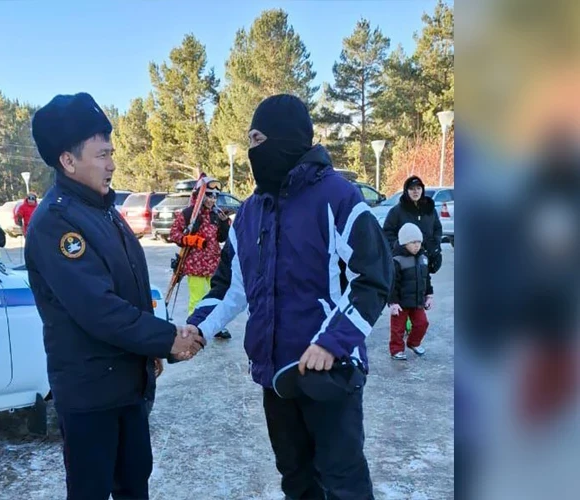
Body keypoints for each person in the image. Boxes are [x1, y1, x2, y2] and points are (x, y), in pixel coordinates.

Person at [185, 94, 392, 499]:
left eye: (259, 140)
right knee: (296, 478)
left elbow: (373, 277)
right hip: (275, 376)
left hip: (329, 372)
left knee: (342, 479)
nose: (253, 151)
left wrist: (332, 342)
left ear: (286, 139)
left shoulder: (338, 197)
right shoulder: (248, 213)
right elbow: (230, 287)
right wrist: (198, 329)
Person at [25, 92, 204, 500]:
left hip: (126, 387)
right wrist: (166, 338)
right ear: (68, 161)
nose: (112, 164)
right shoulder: (57, 222)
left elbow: (129, 291)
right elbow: (99, 309)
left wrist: (149, 352)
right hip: (91, 397)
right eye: (102, 155)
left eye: (112, 153)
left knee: (134, 485)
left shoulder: (103, 210)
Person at [169, 178, 232, 339]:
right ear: (200, 196)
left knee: (215, 296)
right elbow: (174, 234)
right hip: (195, 264)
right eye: (209, 195)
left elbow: (222, 238)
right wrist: (190, 239)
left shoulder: (216, 214)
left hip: (214, 263)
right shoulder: (189, 213)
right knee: (197, 298)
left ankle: (215, 325)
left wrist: (225, 223)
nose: (212, 200)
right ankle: (194, 326)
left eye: (215, 196)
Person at [388, 223, 433, 360]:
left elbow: (426, 278)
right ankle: (396, 350)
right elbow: (392, 283)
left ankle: (414, 343)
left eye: (419, 242)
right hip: (401, 303)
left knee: (422, 323)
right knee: (398, 328)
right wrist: (393, 302)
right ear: (404, 242)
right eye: (413, 242)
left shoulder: (423, 258)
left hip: (418, 301)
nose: (417, 245)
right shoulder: (397, 260)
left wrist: (429, 295)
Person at [382, 175, 443, 275]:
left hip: (425, 258)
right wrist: (399, 246)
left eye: (418, 188)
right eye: (412, 189)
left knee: (424, 282)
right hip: (404, 262)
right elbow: (387, 232)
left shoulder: (430, 210)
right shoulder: (397, 211)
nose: (416, 192)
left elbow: (437, 228)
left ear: (422, 190)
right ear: (406, 191)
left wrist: (435, 245)